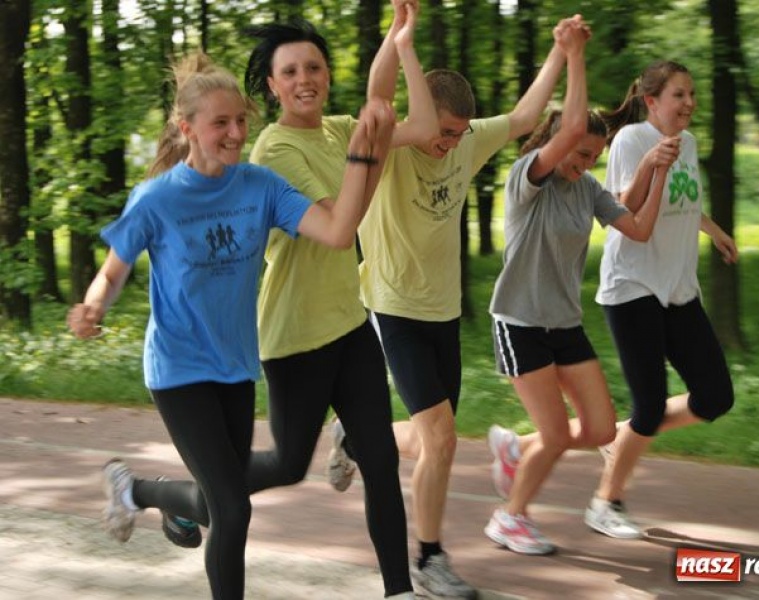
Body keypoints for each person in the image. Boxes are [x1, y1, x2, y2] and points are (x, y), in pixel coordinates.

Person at [66, 52, 395, 600]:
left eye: (241, 120)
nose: (237, 133)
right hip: (178, 370)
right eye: (221, 123)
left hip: (236, 368)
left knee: (223, 499)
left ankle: (138, 491)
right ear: (187, 128)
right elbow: (112, 272)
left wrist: (363, 151)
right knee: (233, 508)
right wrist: (93, 306)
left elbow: (340, 232)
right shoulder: (157, 199)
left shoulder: (260, 187)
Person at [332, 14, 587, 599]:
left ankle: (355, 435)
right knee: (443, 439)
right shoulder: (392, 147)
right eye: (443, 131)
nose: (449, 143)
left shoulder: (467, 140)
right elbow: (380, 97)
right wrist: (401, 40)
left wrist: (559, 51)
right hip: (393, 308)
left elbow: (524, 118)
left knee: (432, 442)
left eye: (457, 134)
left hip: (443, 312)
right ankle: (430, 558)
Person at [236, 3, 434, 598]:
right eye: (290, 71)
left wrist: (400, 41)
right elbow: (339, 228)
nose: (305, 80)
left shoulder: (337, 129)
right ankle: (184, 495)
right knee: (287, 465)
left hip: (349, 324)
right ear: (272, 87)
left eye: (314, 67)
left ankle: (399, 589)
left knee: (381, 459)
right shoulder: (274, 151)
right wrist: (369, 147)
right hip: (296, 335)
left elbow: (423, 123)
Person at [481, 19, 675, 556]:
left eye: (593, 156)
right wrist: (573, 54)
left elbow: (637, 227)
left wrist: (657, 171)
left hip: (564, 323)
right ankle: (510, 518)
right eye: (580, 153)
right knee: (557, 435)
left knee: (601, 428)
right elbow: (569, 129)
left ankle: (515, 448)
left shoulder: (587, 188)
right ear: (555, 143)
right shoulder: (529, 177)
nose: (585, 163)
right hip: (520, 321)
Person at [582, 60, 739, 539]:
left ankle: (624, 435)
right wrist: (651, 163)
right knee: (649, 405)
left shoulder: (688, 143)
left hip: (677, 288)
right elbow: (620, 210)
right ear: (652, 101)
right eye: (678, 95)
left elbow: (685, 204)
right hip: (633, 286)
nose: (689, 103)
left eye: (692, 94)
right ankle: (605, 503)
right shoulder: (631, 140)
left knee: (715, 395)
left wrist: (715, 231)